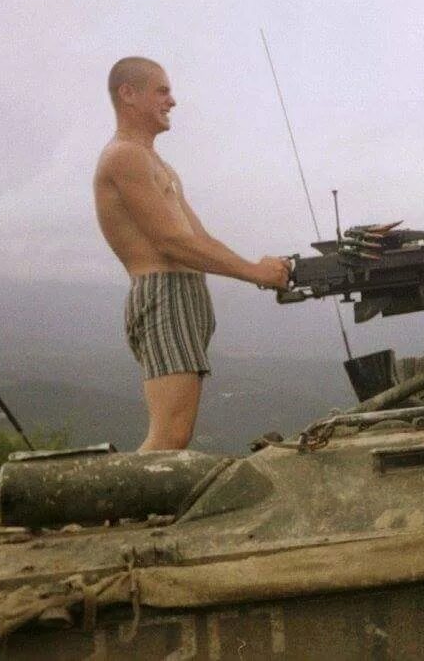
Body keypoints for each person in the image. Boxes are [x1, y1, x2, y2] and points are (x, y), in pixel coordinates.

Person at [93, 57, 291, 451]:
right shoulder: (124, 156)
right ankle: (120, 491)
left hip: (184, 293)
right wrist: (254, 272)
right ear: (128, 94)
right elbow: (171, 242)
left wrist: (263, 269)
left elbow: (198, 238)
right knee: (170, 435)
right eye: (162, 91)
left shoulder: (156, 162)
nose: (172, 101)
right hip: (163, 292)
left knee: (178, 433)